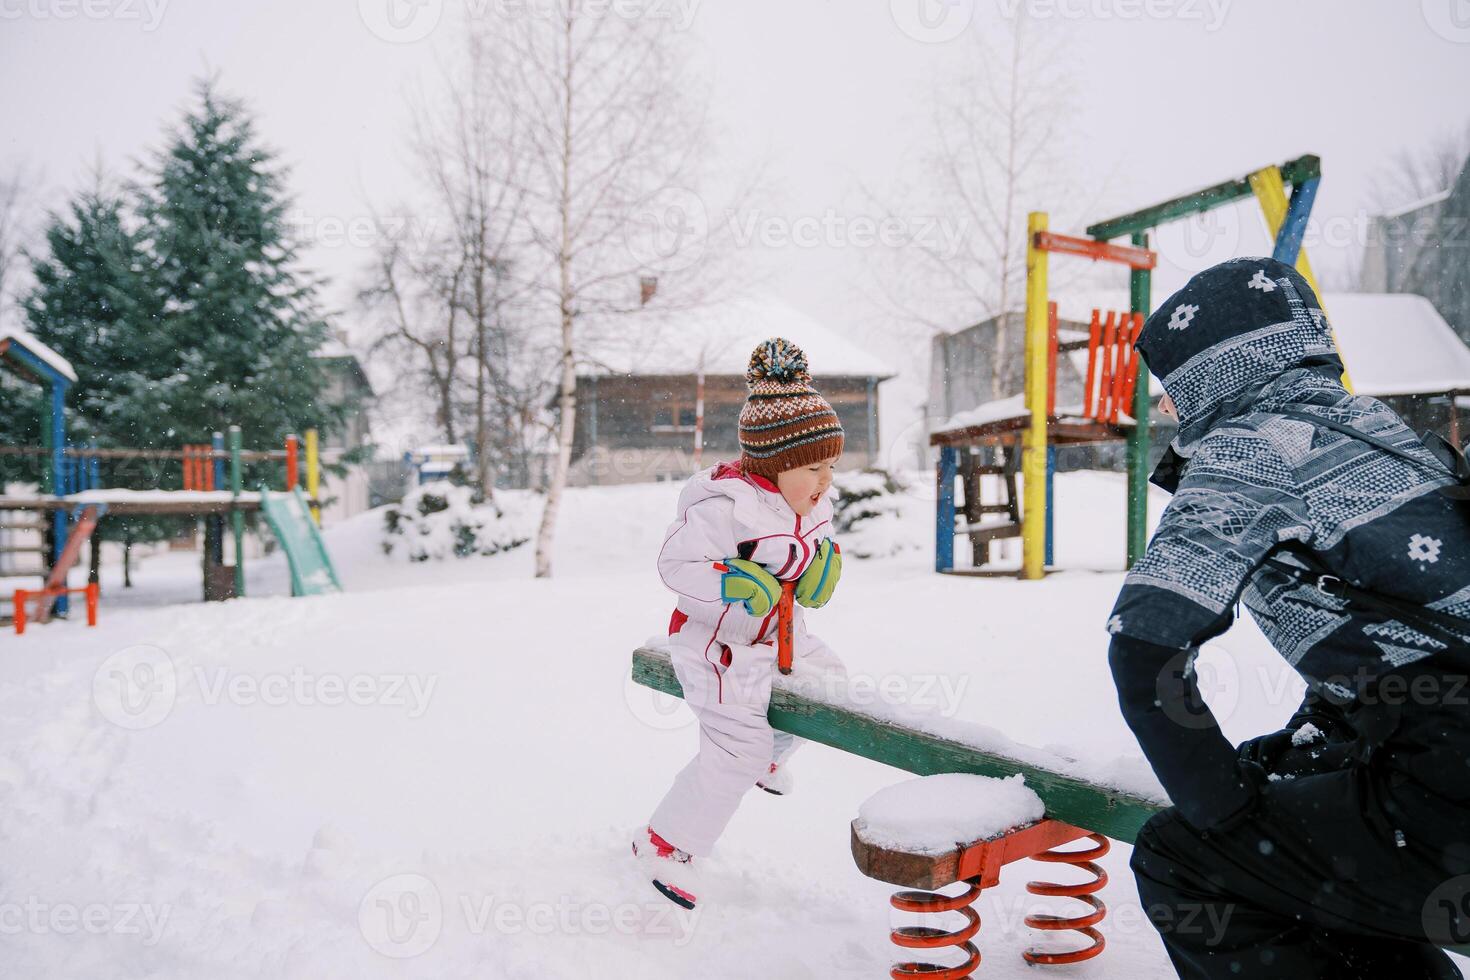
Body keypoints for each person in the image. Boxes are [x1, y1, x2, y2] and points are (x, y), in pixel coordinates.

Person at [1107, 256, 1470, 978]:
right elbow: (1391, 632)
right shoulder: (1380, 429)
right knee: (1310, 868)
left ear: (1209, 372)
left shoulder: (1252, 447)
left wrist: (1226, 807)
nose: (1169, 409)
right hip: (1438, 768)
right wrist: (1296, 751)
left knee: (1187, 858)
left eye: (1171, 387)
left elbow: (1143, 645)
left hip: (1446, 799)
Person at [634, 337, 848, 910]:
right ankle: (663, 845)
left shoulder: (811, 503)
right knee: (734, 750)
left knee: (831, 683)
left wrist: (819, 571)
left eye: (831, 466)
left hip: (780, 634)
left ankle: (770, 756)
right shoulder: (724, 506)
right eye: (813, 467)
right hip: (715, 642)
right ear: (776, 464)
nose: (825, 480)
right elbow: (674, 564)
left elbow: (813, 549)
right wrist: (731, 580)